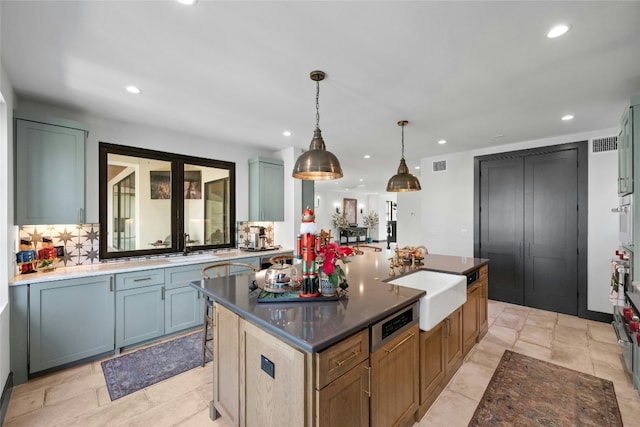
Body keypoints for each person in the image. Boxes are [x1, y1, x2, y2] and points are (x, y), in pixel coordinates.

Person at [297, 207, 320, 297]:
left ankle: (312, 290)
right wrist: (299, 256)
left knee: (312, 273)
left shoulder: (315, 235)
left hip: (312, 255)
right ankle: (305, 291)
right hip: (305, 255)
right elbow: (299, 246)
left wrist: (318, 240)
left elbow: (317, 248)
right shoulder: (301, 236)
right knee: (305, 273)